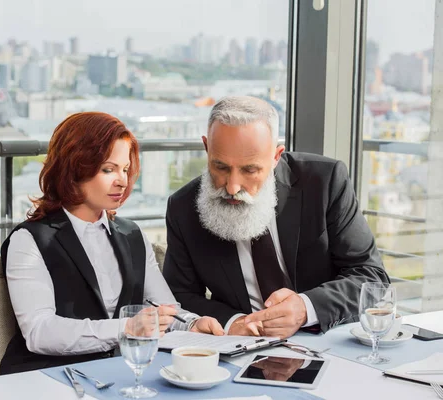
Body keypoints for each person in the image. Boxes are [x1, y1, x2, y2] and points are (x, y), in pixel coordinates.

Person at [0, 112, 223, 375]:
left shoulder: (132, 235)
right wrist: (126, 328)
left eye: (125, 169)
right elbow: (39, 332)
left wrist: (192, 324)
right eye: (109, 169)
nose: (122, 180)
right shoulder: (30, 240)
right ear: (74, 168)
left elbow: (164, 308)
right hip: (49, 376)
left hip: (119, 372)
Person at [162, 96, 389, 339]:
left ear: (276, 156)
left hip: (326, 339)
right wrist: (233, 322)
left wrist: (305, 307)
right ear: (207, 148)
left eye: (250, 170)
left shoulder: (325, 182)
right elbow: (179, 296)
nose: (232, 187)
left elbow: (370, 276)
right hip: (238, 348)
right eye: (221, 167)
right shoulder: (183, 207)